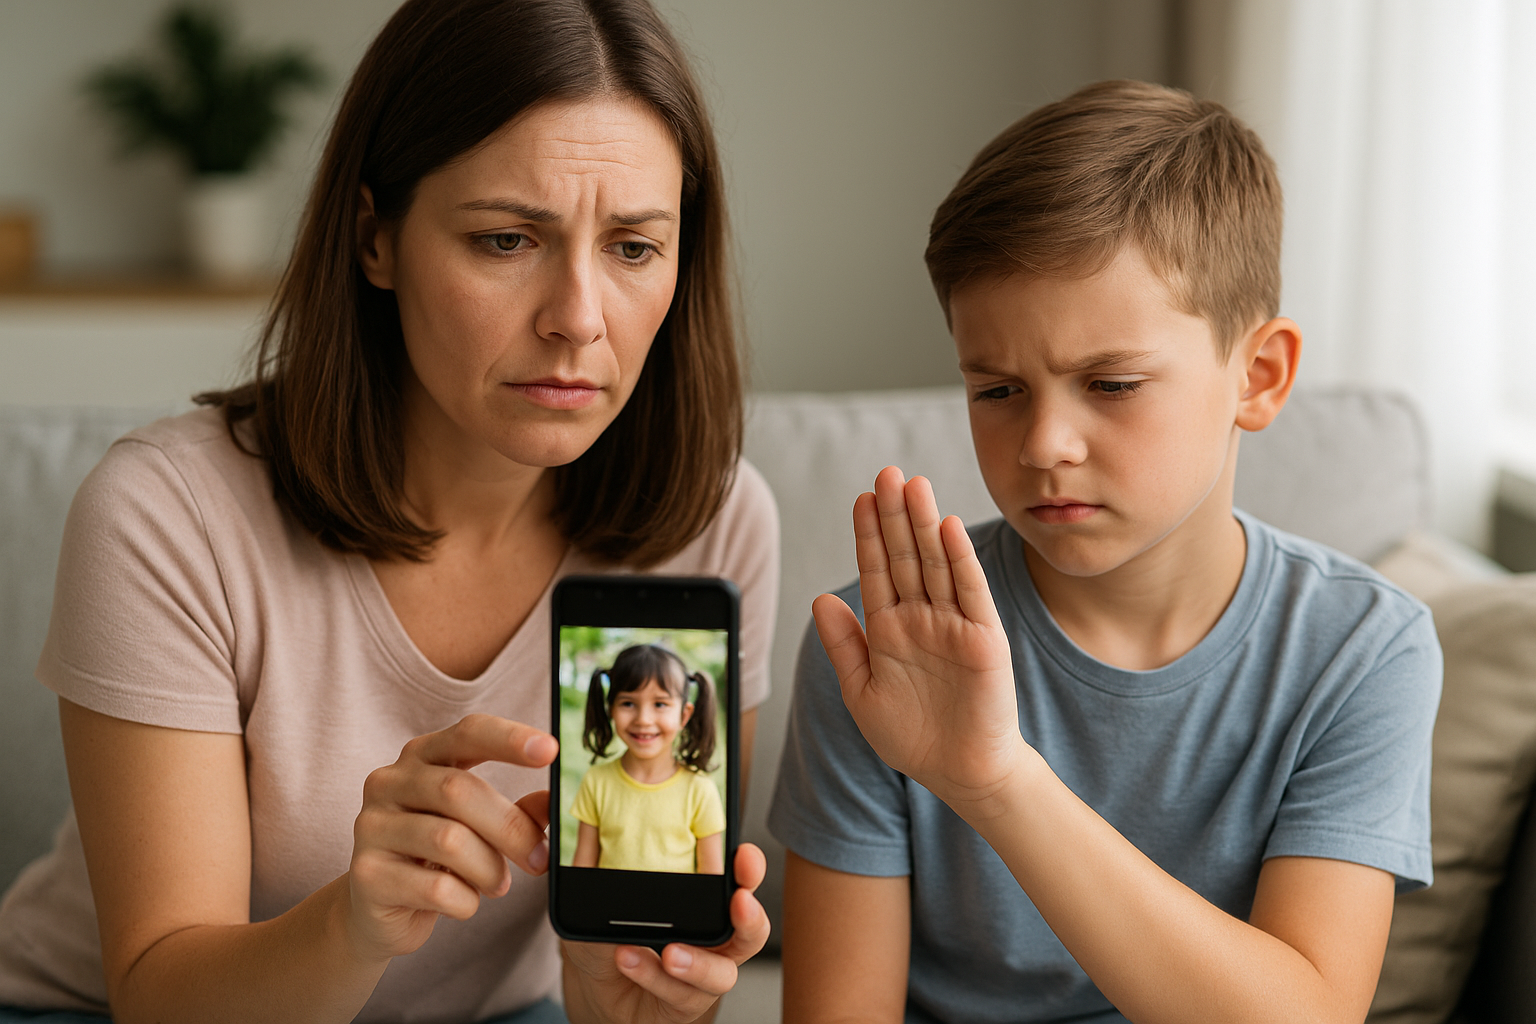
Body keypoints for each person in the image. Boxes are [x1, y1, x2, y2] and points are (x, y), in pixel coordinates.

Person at [0, 1, 778, 1022]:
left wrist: (624, 998)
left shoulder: (714, 524)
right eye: (507, 238)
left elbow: (647, 944)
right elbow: (160, 990)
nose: (579, 319)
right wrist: (353, 921)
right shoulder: (166, 518)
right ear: (375, 237)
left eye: (633, 248)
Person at [770, 80, 1441, 1024]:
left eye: (1112, 383)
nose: (1045, 445)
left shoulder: (1362, 647)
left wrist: (996, 781)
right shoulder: (886, 655)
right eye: (998, 390)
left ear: (1258, 376)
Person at [571, 644, 724, 874]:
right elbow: (582, 873)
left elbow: (711, 878)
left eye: (660, 704)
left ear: (684, 715)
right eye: (628, 703)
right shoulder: (596, 782)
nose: (643, 719)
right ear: (611, 709)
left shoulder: (700, 790)